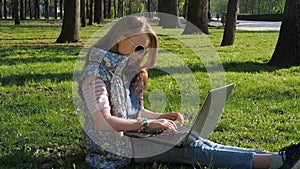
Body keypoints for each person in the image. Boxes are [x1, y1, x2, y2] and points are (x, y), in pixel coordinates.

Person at [78, 15, 300, 169]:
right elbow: (103, 121)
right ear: (120, 37)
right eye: (138, 48)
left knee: (194, 140)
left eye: (144, 50)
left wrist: (162, 117)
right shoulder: (96, 73)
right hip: (118, 147)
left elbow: (135, 112)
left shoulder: (128, 71)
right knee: (192, 151)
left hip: (135, 134)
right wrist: (148, 126)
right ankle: (276, 162)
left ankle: (276, 158)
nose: (141, 55)